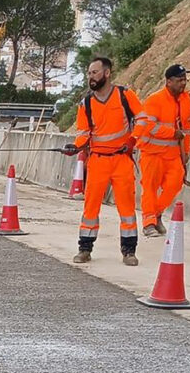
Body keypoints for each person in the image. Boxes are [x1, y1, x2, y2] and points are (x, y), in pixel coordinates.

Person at [61, 57, 146, 266]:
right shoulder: (86, 103)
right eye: (89, 73)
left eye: (95, 72)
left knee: (127, 210)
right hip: (97, 161)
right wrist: (76, 147)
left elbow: (143, 119)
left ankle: (129, 252)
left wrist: (133, 140)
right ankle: (85, 249)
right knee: (90, 208)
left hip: (121, 160)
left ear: (107, 73)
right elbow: (84, 133)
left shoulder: (125, 95)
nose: (90, 77)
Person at [135, 64, 190, 237]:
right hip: (152, 153)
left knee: (175, 184)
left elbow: (187, 128)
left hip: (173, 154)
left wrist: (186, 151)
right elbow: (149, 126)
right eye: (179, 80)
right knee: (150, 188)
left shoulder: (186, 100)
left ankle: (156, 214)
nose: (183, 83)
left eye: (185, 79)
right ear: (169, 81)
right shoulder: (155, 100)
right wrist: (172, 133)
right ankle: (149, 224)